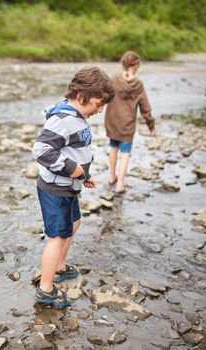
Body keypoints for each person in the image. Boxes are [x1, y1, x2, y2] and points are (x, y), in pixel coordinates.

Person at [32, 66, 115, 307]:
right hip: (55, 188)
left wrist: (82, 175)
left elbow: (72, 150)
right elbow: (41, 150)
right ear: (81, 97)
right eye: (98, 105)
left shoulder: (76, 116)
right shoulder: (63, 120)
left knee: (74, 223)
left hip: (69, 185)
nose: (99, 111)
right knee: (57, 236)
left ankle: (59, 266)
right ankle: (46, 289)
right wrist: (72, 169)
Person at [105, 51, 155, 193]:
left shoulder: (114, 79)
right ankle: (120, 184)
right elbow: (145, 107)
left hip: (112, 120)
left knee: (113, 148)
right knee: (125, 152)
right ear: (136, 65)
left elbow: (105, 95)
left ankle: (111, 177)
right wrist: (151, 125)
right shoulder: (138, 84)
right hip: (127, 123)